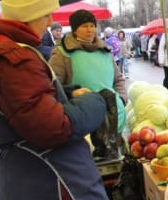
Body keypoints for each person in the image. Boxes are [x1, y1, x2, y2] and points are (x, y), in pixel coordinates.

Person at [0, 0, 113, 200]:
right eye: (45, 13)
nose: (51, 20)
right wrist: (94, 102)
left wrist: (63, 92)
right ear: (29, 13)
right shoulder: (17, 58)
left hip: (24, 181)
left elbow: (18, 103)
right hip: (54, 189)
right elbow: (52, 128)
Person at [49, 9, 127, 159]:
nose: (90, 30)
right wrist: (72, 94)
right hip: (83, 122)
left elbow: (118, 80)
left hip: (114, 117)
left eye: (92, 25)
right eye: (84, 26)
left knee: (114, 163)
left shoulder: (105, 51)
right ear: (74, 29)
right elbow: (53, 86)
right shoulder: (62, 53)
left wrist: (122, 100)